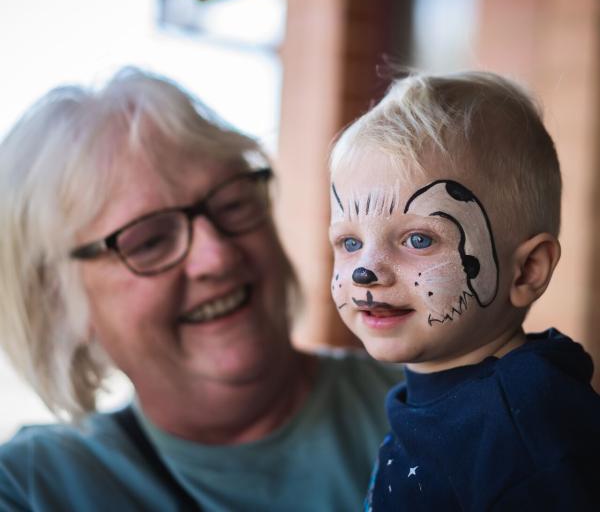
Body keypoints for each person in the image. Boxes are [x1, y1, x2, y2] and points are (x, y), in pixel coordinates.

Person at [0, 68, 403, 511]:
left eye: (232, 204)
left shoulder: (445, 405)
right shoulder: (35, 490)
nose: (218, 257)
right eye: (150, 241)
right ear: (57, 302)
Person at [328, 70, 600, 511]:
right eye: (350, 243)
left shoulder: (527, 421)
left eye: (418, 239)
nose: (365, 271)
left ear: (526, 271)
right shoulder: (433, 388)